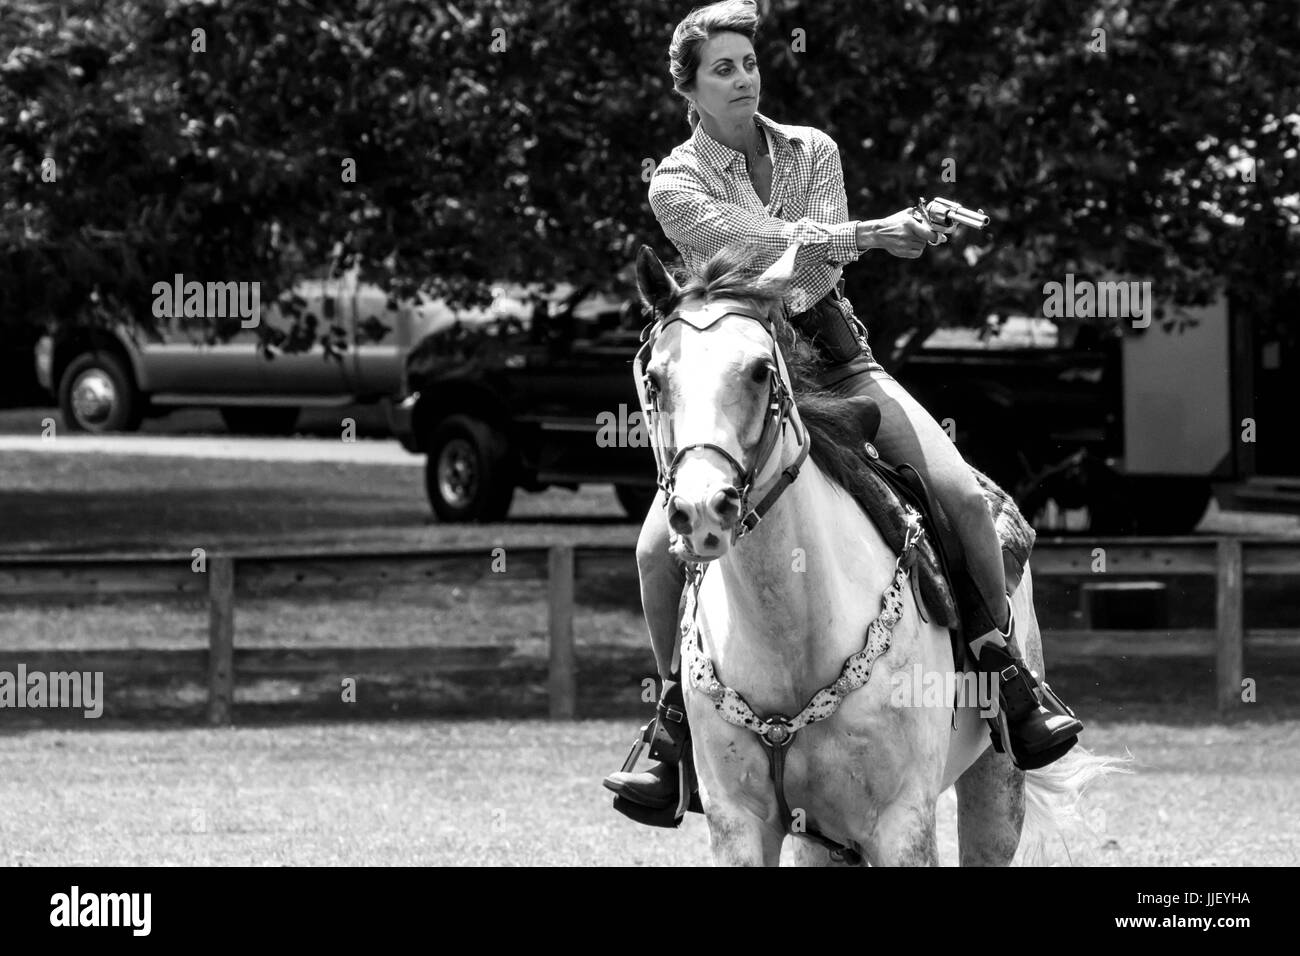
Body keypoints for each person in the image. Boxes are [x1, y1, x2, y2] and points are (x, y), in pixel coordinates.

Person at [604, 0, 1082, 822]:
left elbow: (810, 266)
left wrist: (875, 233)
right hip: (739, 378)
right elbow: (762, 248)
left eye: (749, 63)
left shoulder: (813, 149)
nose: (743, 77)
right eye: (722, 68)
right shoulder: (674, 182)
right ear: (688, 89)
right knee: (655, 550)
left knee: (962, 495)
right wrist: (878, 232)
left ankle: (1007, 677)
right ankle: (673, 726)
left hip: (836, 361)